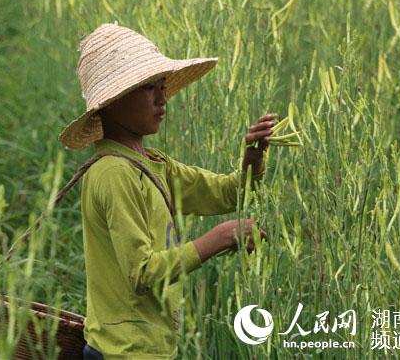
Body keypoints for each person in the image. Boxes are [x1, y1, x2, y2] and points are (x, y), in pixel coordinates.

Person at [58, 23, 272, 359]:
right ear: (112, 101)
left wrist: (252, 160)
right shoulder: (114, 173)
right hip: (123, 353)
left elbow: (228, 195)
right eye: (147, 89)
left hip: (148, 349)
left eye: (162, 86)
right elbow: (141, 272)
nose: (162, 99)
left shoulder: (153, 166)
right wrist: (218, 239)